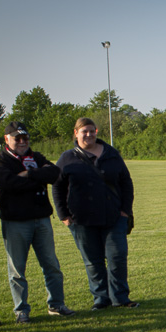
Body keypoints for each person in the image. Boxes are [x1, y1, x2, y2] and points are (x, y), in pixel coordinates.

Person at [0, 122, 74, 323]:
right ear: (6, 139)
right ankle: (21, 311)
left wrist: (29, 174)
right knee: (17, 270)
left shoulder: (35, 157)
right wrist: (38, 179)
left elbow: (55, 174)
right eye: (17, 138)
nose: (22, 141)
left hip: (42, 219)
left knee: (51, 265)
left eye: (25, 138)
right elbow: (8, 183)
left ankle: (56, 304)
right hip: (15, 222)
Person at [54, 118, 136, 310]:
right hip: (81, 219)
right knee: (93, 262)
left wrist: (125, 211)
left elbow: (126, 182)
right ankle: (101, 299)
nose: (89, 135)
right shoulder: (67, 158)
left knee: (117, 257)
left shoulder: (111, 154)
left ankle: (120, 298)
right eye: (84, 131)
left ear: (96, 131)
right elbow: (57, 186)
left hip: (114, 216)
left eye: (92, 131)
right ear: (76, 133)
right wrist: (63, 215)